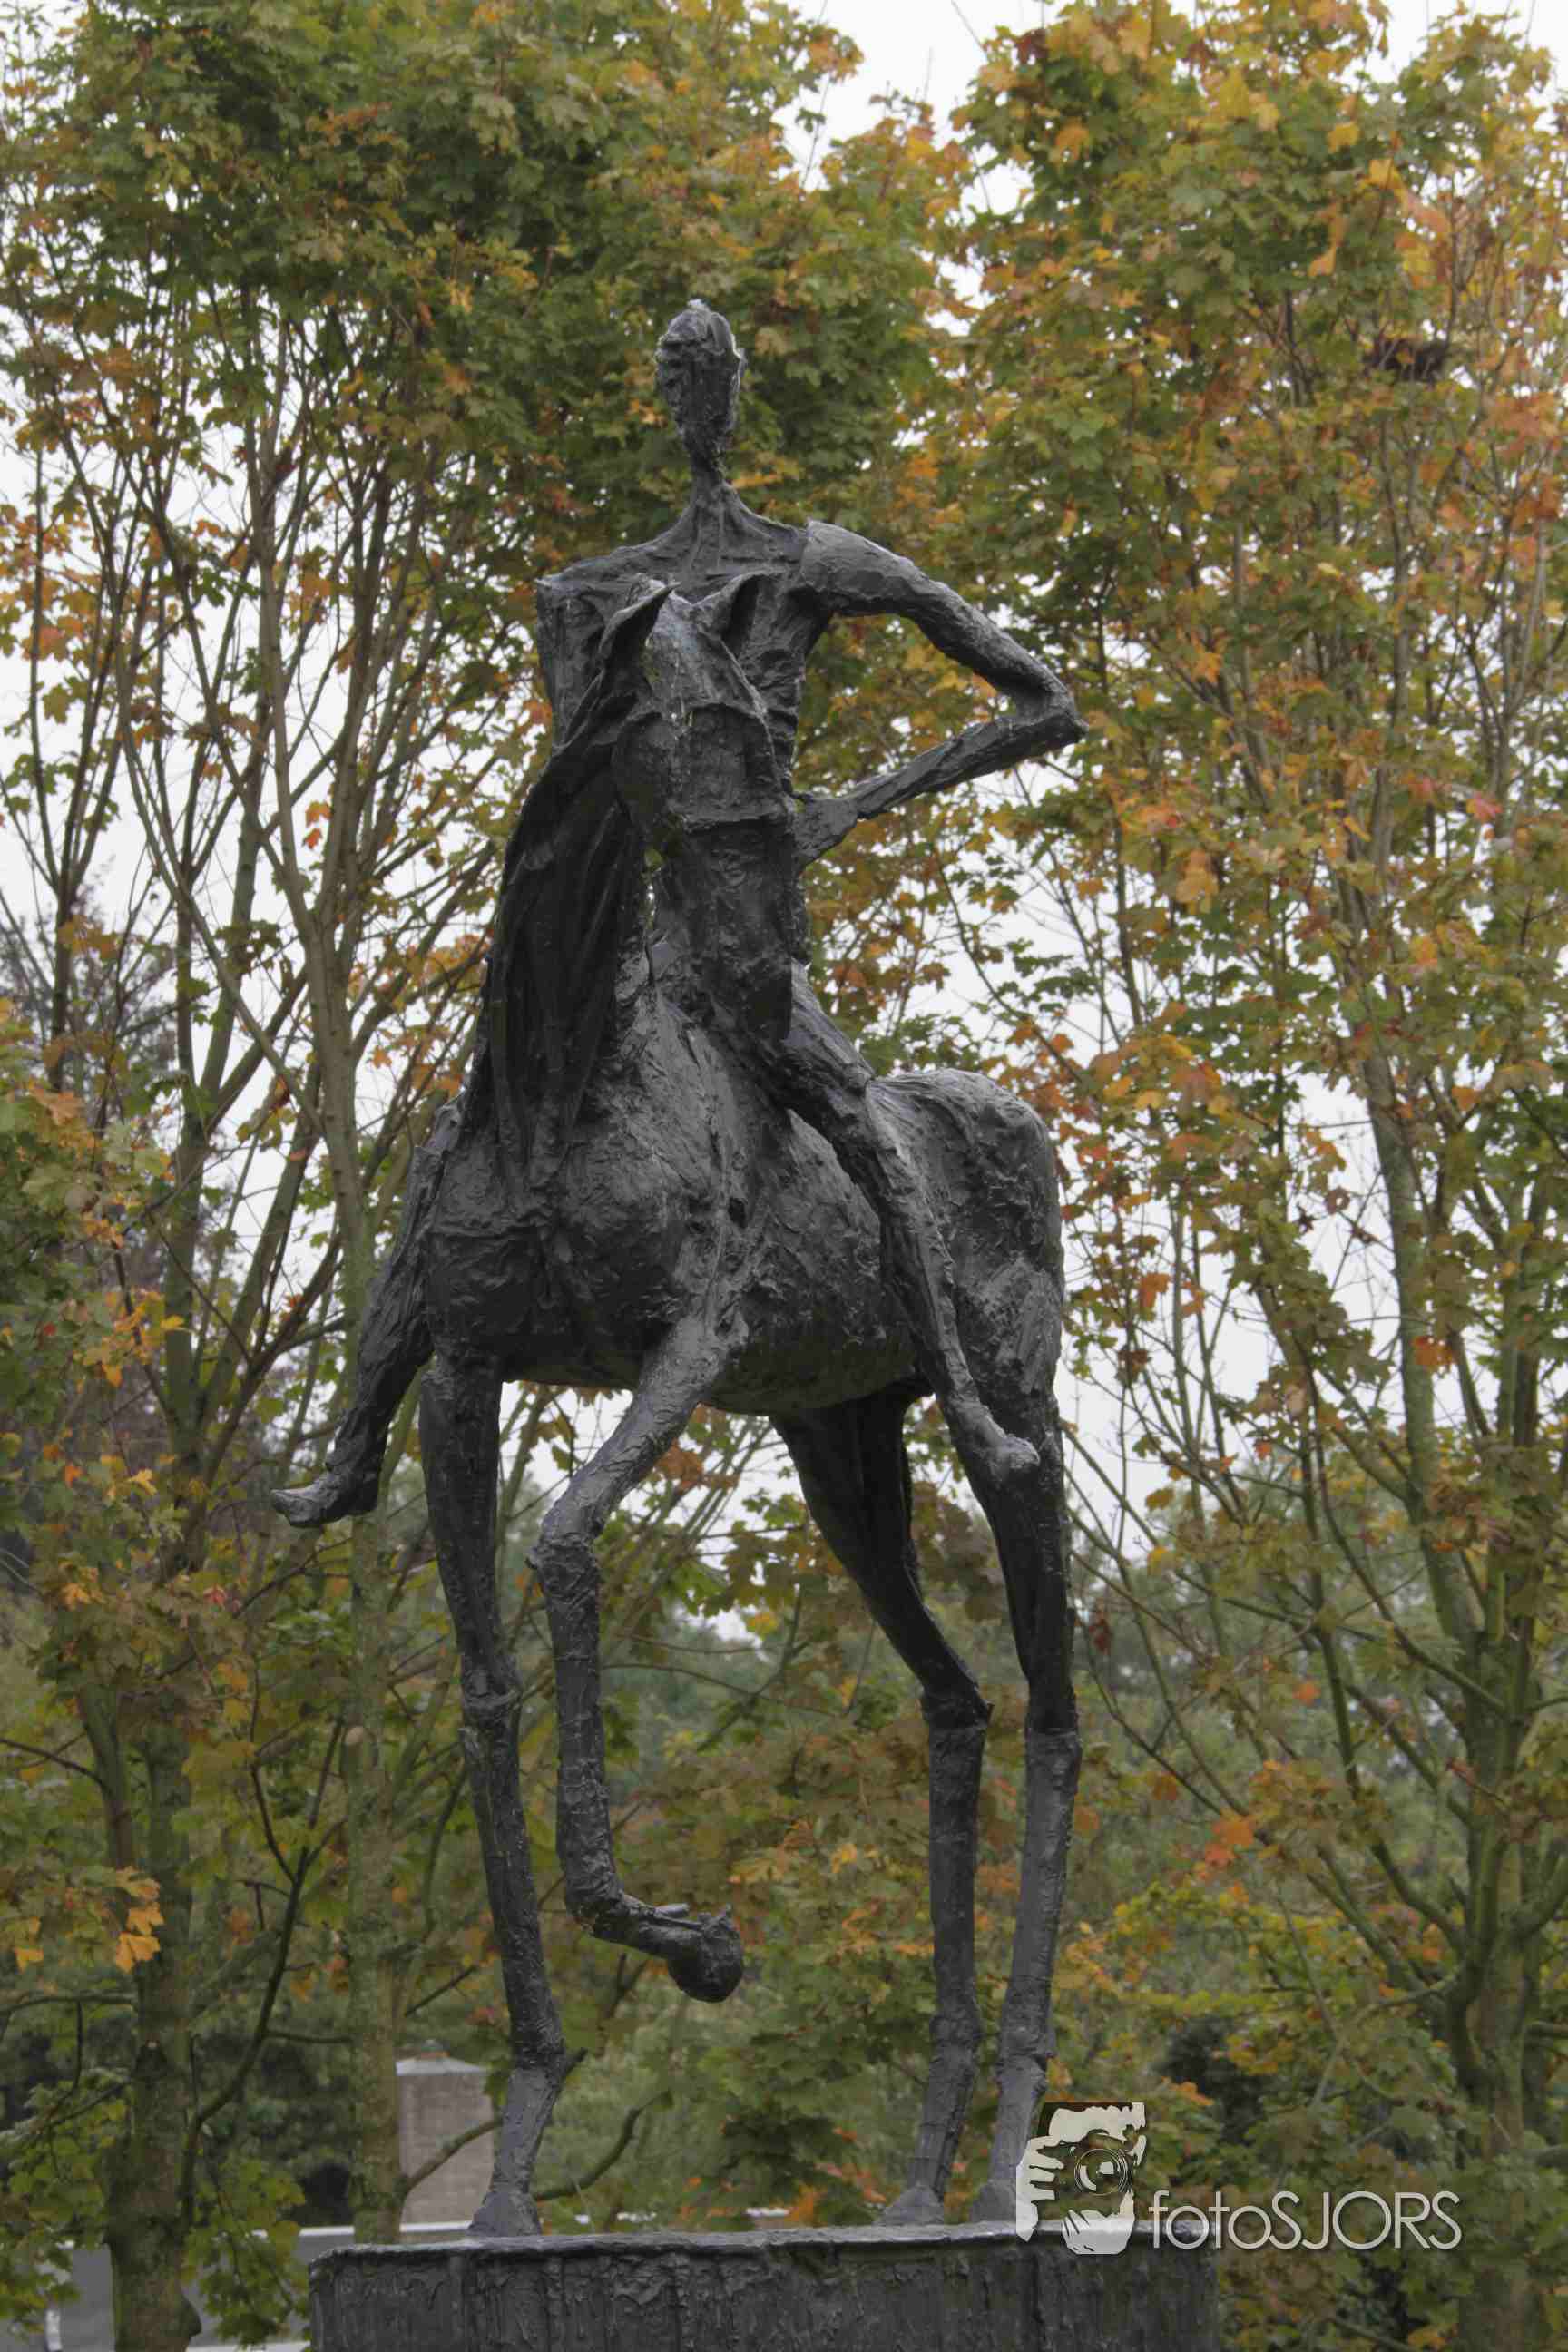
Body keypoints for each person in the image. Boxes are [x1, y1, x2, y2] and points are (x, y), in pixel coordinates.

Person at [276, 301, 1080, 1527]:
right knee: (462, 1142)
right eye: (678, 377)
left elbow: (1044, 704)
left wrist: (849, 805)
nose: (697, 397)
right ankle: (354, 1444)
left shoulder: (815, 561)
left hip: (750, 946)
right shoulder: (591, 594)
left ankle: (964, 1399)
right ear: (665, 397)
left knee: (862, 1122)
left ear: (735, 392)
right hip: (639, 949)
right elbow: (581, 788)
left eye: (713, 376)